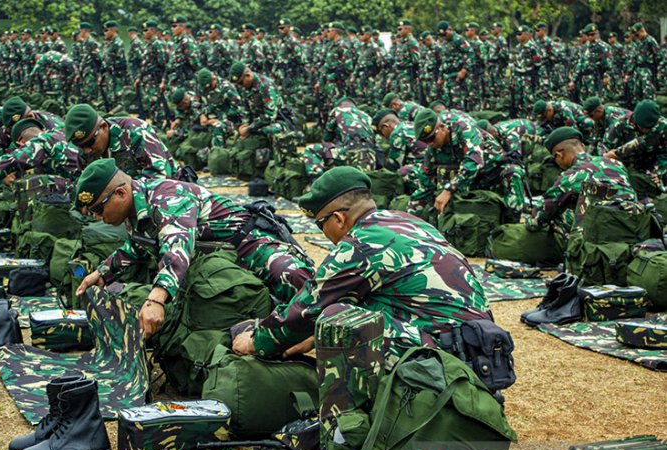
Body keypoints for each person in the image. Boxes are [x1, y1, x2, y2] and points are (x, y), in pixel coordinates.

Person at [230, 165, 492, 365]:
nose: (324, 233)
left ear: (339, 218)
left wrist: (256, 341)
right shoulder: (407, 221)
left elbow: (307, 310)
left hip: (443, 359)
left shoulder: (360, 243)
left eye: (321, 225)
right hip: (480, 349)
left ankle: (344, 430)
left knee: (338, 321)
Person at [73, 158, 315, 334]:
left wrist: (156, 299)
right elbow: (138, 246)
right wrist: (102, 272)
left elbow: (176, 247)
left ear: (121, 193)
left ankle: (308, 325)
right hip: (213, 262)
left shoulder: (166, 197)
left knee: (290, 275)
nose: (96, 216)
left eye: (97, 208)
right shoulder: (136, 211)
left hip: (247, 245)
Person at [526, 126, 636, 236]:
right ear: (582, 146)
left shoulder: (571, 175)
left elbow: (537, 219)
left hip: (600, 237)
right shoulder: (616, 164)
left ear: (560, 155)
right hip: (632, 227)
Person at [0, 118, 81, 206]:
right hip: (90, 185)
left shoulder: (42, 140)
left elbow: (11, 161)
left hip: (83, 190)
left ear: (20, 143)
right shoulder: (60, 133)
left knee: (38, 183)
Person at [64, 103, 176, 178]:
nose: (87, 150)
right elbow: (83, 183)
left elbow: (160, 176)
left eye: (89, 143)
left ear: (103, 127)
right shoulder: (85, 151)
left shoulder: (135, 131)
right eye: (80, 146)